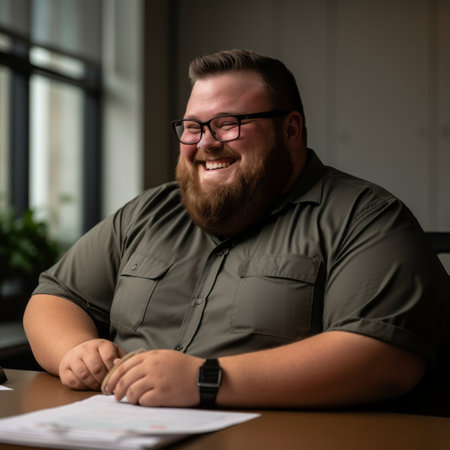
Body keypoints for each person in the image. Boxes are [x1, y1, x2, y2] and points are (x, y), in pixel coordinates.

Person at [24, 49, 449, 410]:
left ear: (291, 129)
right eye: (192, 127)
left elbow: (385, 359)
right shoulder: (148, 212)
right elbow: (54, 297)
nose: (205, 142)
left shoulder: (367, 217)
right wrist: (75, 349)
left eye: (229, 123)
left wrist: (207, 380)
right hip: (114, 428)